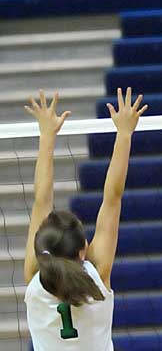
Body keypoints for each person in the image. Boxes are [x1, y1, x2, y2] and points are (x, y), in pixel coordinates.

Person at [23, 88, 147, 351]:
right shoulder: (98, 276)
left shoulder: (34, 275)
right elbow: (112, 198)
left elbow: (41, 200)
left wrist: (47, 135)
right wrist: (124, 134)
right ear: (84, 250)